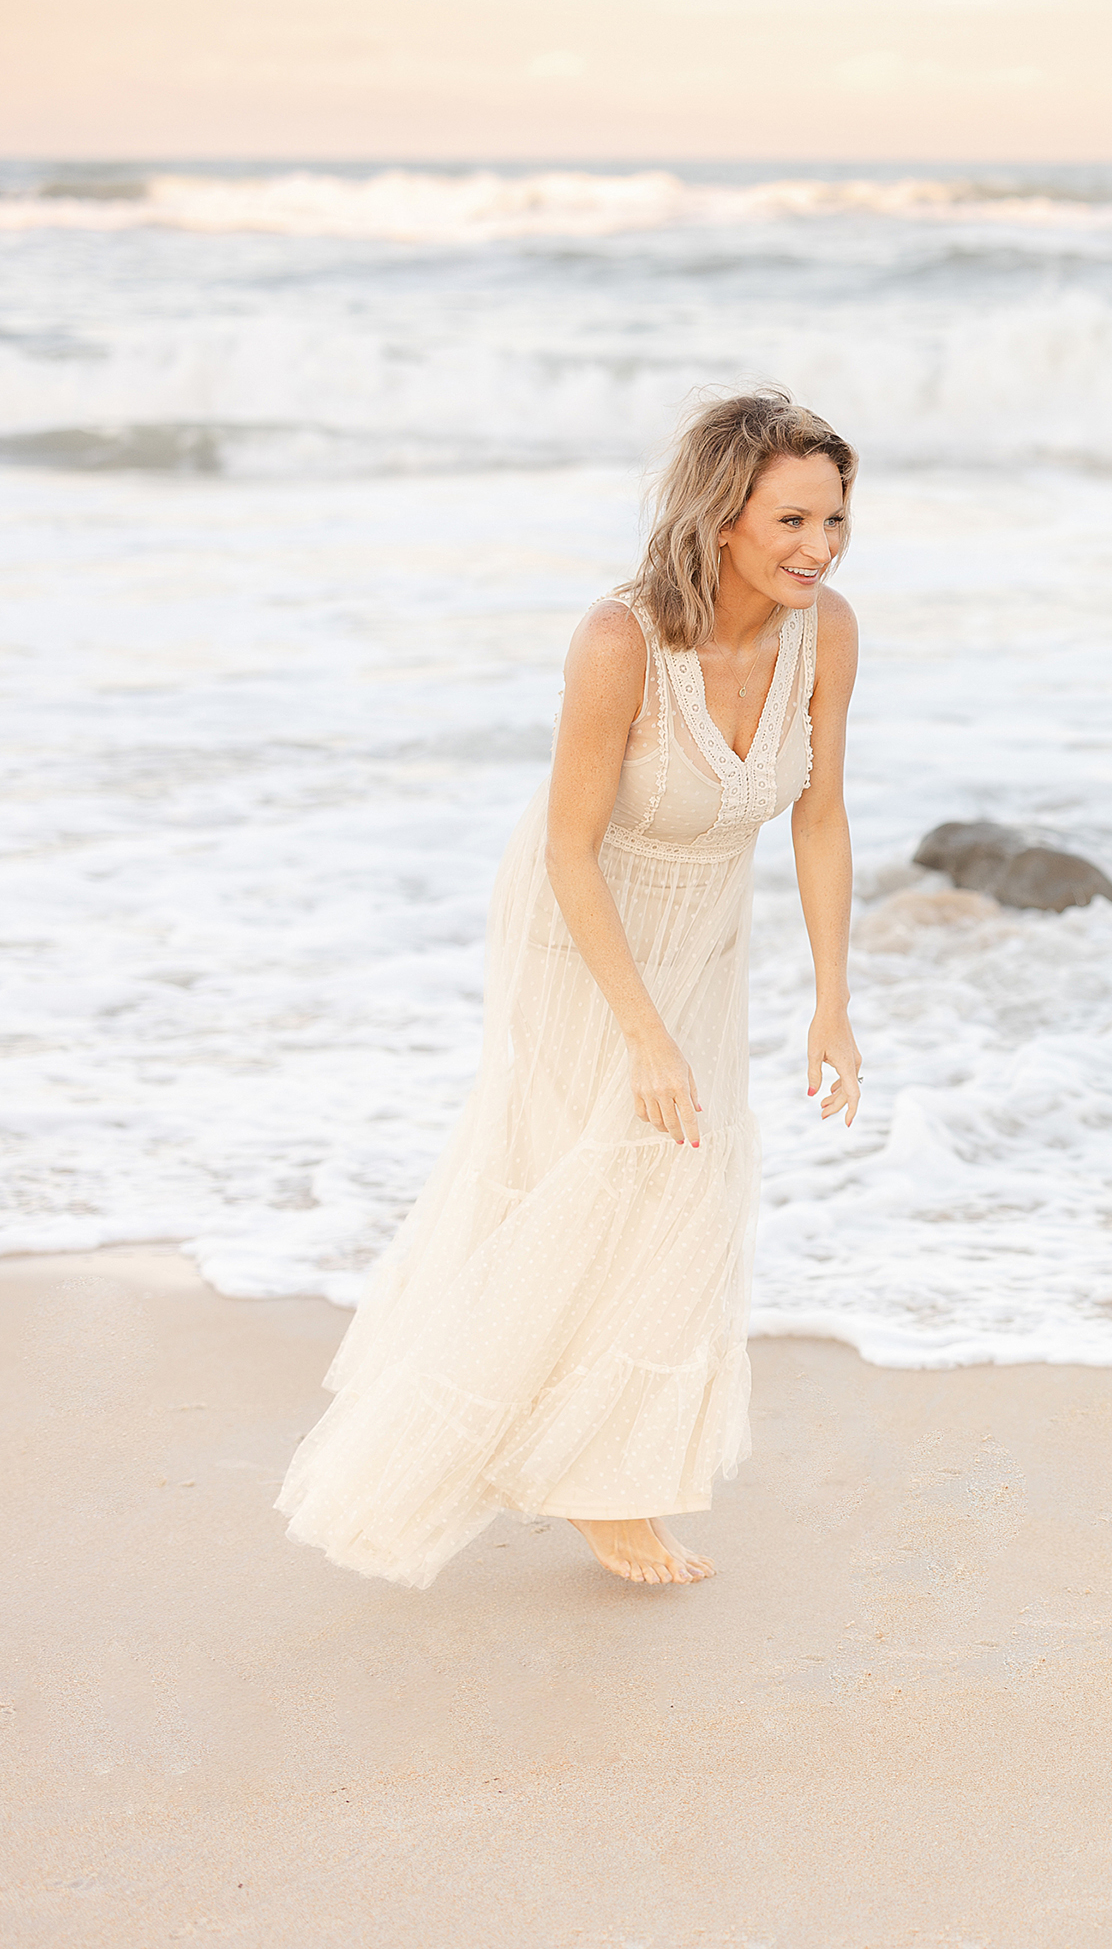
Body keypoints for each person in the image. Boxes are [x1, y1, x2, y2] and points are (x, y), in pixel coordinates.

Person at [277, 389, 865, 1589]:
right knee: (592, 1181)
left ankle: (601, 1478)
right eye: (794, 518)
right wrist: (643, 1035)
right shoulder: (621, 641)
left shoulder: (829, 629)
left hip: (705, 933)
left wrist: (834, 1000)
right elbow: (565, 847)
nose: (821, 546)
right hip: (581, 932)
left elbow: (820, 815)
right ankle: (523, 1464)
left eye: (837, 519)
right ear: (721, 515)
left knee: (679, 1194)